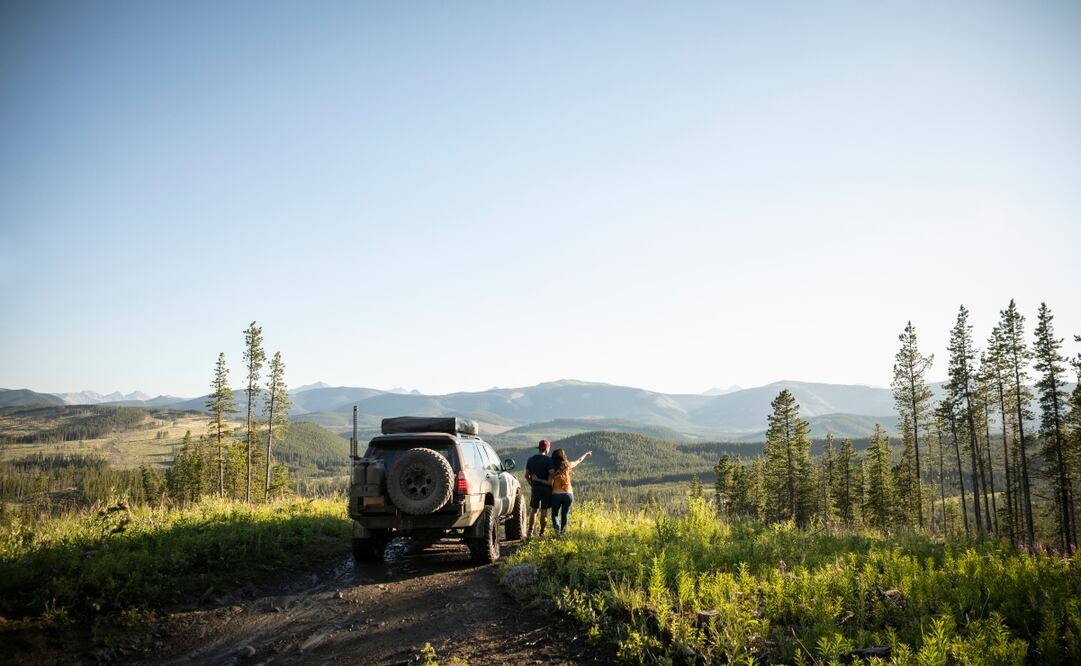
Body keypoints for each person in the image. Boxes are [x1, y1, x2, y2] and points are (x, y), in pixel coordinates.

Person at [548, 447, 591, 534]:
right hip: (568, 494)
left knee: (555, 514)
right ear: (563, 456)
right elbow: (578, 460)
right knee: (565, 514)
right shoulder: (568, 465)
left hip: (556, 494)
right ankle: (563, 534)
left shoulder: (553, 469)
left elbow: (549, 480)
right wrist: (586, 454)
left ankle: (556, 529)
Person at [523, 439, 553, 539]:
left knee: (533, 510)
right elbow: (552, 474)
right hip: (546, 489)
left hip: (535, 488)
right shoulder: (549, 460)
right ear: (547, 449)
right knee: (544, 511)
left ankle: (529, 532)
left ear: (539, 448)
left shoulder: (530, 459)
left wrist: (532, 484)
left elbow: (526, 475)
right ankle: (542, 533)